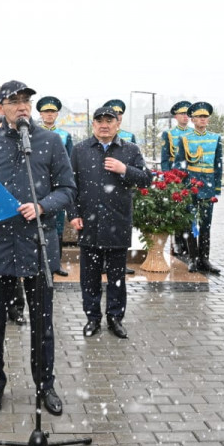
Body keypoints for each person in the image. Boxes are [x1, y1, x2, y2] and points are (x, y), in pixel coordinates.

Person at [0, 80, 75, 417]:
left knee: (43, 323)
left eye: (26, 100)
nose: (22, 107)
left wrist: (42, 206)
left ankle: (45, 384)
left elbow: (68, 189)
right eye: (14, 101)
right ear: (0, 109)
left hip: (38, 245)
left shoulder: (50, 141)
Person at [70, 106, 151, 339]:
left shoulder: (130, 149)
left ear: (118, 124)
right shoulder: (80, 150)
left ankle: (115, 318)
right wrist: (73, 214)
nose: (104, 125)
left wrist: (125, 169)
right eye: (99, 121)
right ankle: (92, 318)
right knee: (90, 276)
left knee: (116, 276)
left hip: (117, 221)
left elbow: (146, 179)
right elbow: (69, 185)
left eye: (109, 120)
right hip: (89, 224)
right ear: (93, 125)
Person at [179, 102, 223, 274]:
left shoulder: (215, 138)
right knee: (192, 224)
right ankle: (192, 258)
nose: (203, 119)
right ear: (193, 119)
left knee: (206, 224)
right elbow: (180, 166)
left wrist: (216, 188)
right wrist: (182, 188)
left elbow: (218, 164)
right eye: (199, 117)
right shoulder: (185, 138)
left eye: (205, 117)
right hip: (191, 186)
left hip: (208, 186)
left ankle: (205, 259)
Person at [36, 95, 73, 277]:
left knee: (57, 226)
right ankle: (39, 262)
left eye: (52, 112)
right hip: (39, 185)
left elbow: (69, 163)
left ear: (57, 114)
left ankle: (55, 263)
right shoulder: (32, 134)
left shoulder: (65, 135)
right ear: (40, 114)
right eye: (45, 112)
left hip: (57, 187)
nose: (49, 115)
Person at [161, 101, 194, 258]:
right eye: (182, 114)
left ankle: (190, 242)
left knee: (190, 211)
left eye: (187, 114)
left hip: (192, 177)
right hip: (176, 177)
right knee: (176, 211)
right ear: (176, 116)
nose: (185, 117)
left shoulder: (194, 134)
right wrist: (168, 178)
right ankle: (177, 242)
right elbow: (165, 158)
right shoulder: (169, 134)